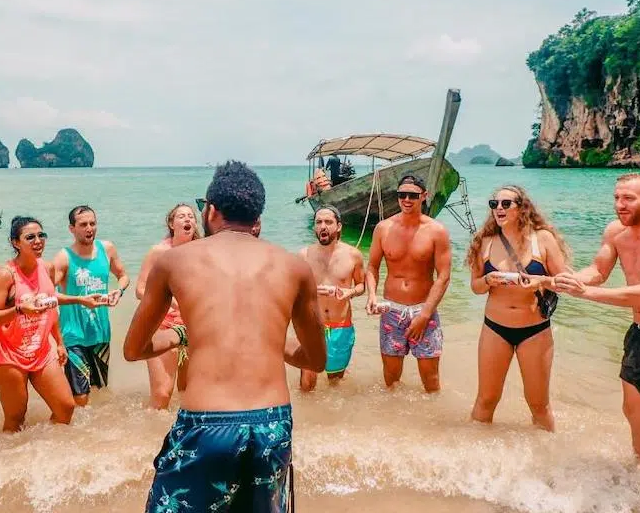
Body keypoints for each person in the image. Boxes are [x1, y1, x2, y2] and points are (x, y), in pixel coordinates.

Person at [123, 161, 326, 512]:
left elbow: (133, 349)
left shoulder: (174, 262)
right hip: (271, 422)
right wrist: (271, 342)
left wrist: (181, 335)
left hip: (206, 423)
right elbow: (317, 360)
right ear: (257, 218)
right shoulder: (295, 267)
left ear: (211, 210)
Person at [554, 174, 640, 504]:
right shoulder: (615, 232)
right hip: (639, 335)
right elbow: (598, 269)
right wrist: (571, 280)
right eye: (617, 197)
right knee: (632, 414)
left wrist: (588, 293)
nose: (620, 204)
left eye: (629, 198)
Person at [465, 185, 571, 432]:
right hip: (495, 329)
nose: (498, 209)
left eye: (505, 204)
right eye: (494, 204)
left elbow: (564, 282)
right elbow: (476, 287)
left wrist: (541, 281)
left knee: (538, 404)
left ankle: (549, 461)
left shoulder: (542, 239)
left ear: (521, 208)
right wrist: (488, 281)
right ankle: (472, 459)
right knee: (486, 399)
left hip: (534, 331)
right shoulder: (485, 242)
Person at [0, 216, 76, 432]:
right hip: (9, 354)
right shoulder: (5, 275)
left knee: (66, 407)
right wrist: (19, 309)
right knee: (16, 417)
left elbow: (51, 307)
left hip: (42, 351)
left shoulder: (47, 268)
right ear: (16, 242)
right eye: (30, 237)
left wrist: (60, 343)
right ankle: (10, 460)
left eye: (41, 235)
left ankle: (42, 450)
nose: (38, 241)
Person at [365, 174, 451, 393]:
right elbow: (372, 267)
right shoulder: (383, 228)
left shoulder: (436, 231)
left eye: (412, 195)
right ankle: (395, 424)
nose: (407, 199)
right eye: (402, 195)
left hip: (424, 310)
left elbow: (443, 276)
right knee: (391, 381)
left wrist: (424, 315)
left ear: (424, 196)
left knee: (431, 381)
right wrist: (372, 297)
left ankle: (431, 424)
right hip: (391, 311)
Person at [52, 205, 130, 406]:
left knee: (100, 389)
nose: (89, 228)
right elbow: (47, 293)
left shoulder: (107, 249)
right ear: (72, 228)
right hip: (73, 335)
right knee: (80, 396)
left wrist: (118, 292)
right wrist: (79, 300)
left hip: (100, 332)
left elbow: (123, 276)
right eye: (83, 224)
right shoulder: (64, 257)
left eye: (93, 223)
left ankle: (91, 434)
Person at [135, 203, 201, 409]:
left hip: (193, 328)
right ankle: (151, 436)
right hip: (163, 326)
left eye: (191, 216)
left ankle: (181, 434)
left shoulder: (201, 251)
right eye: (181, 216)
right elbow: (140, 289)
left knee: (187, 391)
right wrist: (171, 302)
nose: (187, 219)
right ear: (172, 224)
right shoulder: (159, 251)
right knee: (163, 393)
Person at [298, 205, 365, 391]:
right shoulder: (304, 255)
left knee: (334, 383)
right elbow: (295, 290)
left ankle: (333, 419)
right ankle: (308, 418)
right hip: (313, 326)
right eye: (318, 222)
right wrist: (310, 291)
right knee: (306, 384)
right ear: (314, 227)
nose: (323, 226)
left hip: (340, 327)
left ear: (339, 226)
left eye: (328, 222)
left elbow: (361, 286)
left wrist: (349, 292)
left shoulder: (353, 255)